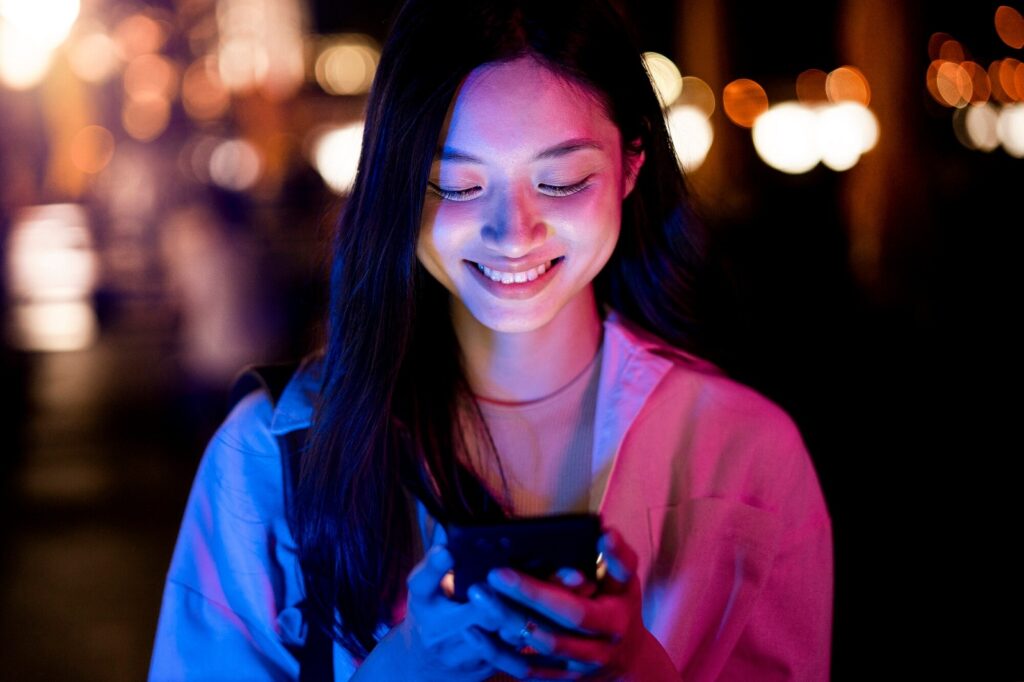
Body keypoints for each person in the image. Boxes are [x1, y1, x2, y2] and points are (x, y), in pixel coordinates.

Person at [149, 0, 833, 679]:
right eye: (458, 185)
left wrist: (634, 667)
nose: (513, 231)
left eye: (560, 181)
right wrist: (409, 663)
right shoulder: (276, 452)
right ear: (396, 186)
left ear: (630, 166)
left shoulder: (746, 456)